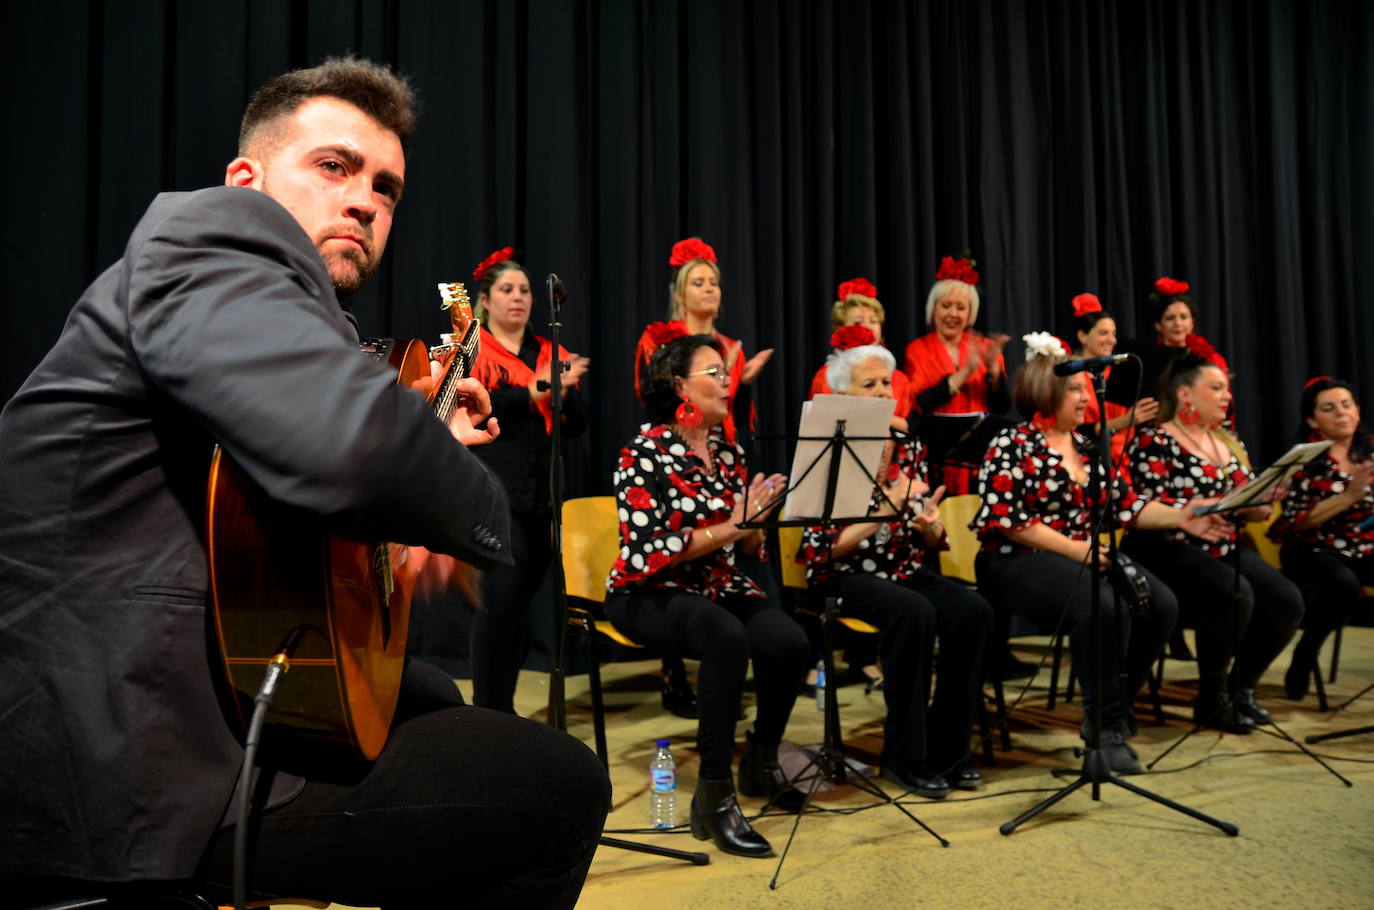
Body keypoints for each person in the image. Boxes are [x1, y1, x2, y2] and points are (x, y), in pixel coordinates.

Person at [0, 58, 609, 909]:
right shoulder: (209, 233)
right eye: (334, 166)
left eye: (387, 188)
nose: (366, 200)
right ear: (246, 179)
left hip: (180, 675)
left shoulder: (274, 307)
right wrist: (462, 502)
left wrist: (415, 451)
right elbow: (348, 445)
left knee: (423, 688)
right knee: (561, 789)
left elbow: (288, 474)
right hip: (116, 741)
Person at [971, 333, 1227, 772]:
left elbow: (1128, 505)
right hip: (1015, 559)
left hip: (1081, 555)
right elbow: (1007, 520)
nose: (1085, 395)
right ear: (1045, 389)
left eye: (1085, 388)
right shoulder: (1013, 443)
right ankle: (1103, 725)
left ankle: (1118, 702)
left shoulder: (1088, 449)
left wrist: (1183, 516)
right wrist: (1075, 549)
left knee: (1160, 606)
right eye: (1074, 388)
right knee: (1102, 607)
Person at [605, 334, 808, 858]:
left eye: (727, 372)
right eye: (714, 372)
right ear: (679, 386)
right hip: (647, 589)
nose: (727, 381)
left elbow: (744, 546)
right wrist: (736, 523)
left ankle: (761, 760)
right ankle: (714, 795)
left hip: (715, 584)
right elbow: (654, 549)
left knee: (788, 640)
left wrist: (757, 523)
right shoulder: (643, 452)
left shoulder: (727, 451)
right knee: (725, 635)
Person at [797, 332, 993, 797]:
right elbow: (819, 551)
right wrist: (885, 507)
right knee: (912, 611)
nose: (885, 393)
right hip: (841, 576)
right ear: (843, 395)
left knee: (972, 611)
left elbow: (929, 532)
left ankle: (950, 751)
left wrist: (929, 528)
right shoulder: (828, 449)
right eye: (871, 385)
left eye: (887, 383)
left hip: (901, 568)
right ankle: (904, 757)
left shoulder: (908, 444)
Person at [1123, 353, 1305, 732]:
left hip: (1222, 546)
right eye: (1217, 388)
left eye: (1227, 389)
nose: (1226, 397)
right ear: (1186, 395)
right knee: (1234, 593)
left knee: (1287, 601)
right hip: (1166, 548)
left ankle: (1242, 689)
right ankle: (1212, 697)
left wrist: (1261, 503)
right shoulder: (1155, 440)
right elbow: (1146, 506)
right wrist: (1198, 512)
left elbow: (1249, 505)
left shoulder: (1229, 440)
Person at [632, 237, 774, 717]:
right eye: (699, 281)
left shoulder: (732, 345)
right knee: (677, 552)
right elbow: (650, 397)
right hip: (676, 451)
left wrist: (745, 385)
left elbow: (739, 413)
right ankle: (679, 671)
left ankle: (730, 667)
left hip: (722, 451)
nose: (709, 288)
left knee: (735, 551)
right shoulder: (659, 337)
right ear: (680, 291)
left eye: (714, 281)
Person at [451, 247, 591, 713]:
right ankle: (489, 708)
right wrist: (535, 390)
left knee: (525, 601)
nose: (519, 299)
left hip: (541, 495)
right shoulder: (473, 349)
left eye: (525, 291)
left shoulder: (550, 351)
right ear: (485, 300)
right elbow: (475, 406)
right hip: (495, 490)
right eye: (507, 290)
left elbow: (576, 424)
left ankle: (502, 708)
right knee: (500, 601)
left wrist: (564, 396)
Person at [1268, 377, 1374, 699]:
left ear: (1357, 410)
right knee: (1343, 585)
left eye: (1347, 405)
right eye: (1329, 408)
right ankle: (1305, 653)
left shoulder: (1368, 451)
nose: (1342, 413)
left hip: (1363, 546)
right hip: (1312, 549)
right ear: (1313, 420)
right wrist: (1349, 496)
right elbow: (1295, 522)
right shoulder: (1305, 459)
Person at [902, 255, 1011, 494]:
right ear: (934, 309)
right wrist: (966, 372)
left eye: (961, 308)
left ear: (970, 314)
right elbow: (921, 402)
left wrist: (993, 372)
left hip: (976, 458)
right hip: (934, 457)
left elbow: (1002, 407)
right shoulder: (918, 349)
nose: (953, 314)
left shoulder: (983, 347)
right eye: (946, 305)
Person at [808, 277, 916, 421]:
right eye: (858, 321)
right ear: (841, 328)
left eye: (873, 321)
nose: (868, 327)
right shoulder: (826, 378)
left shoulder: (898, 379)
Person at [1068, 292, 1159, 461]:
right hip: (1087, 459)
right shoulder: (1070, 376)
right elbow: (1074, 430)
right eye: (1103, 333)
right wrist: (1124, 421)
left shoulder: (1120, 373)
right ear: (1082, 336)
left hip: (1126, 461)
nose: (1112, 340)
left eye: (1114, 334)